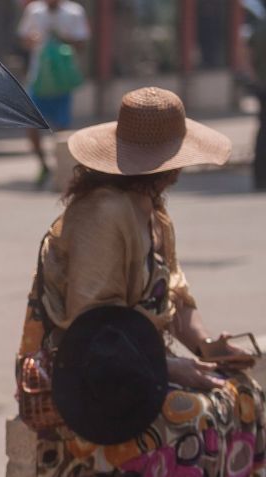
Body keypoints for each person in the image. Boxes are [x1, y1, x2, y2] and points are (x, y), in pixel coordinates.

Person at [16, 87, 265, 475]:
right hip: (88, 380)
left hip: (139, 367)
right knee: (195, 418)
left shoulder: (152, 210)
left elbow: (175, 296)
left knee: (244, 394)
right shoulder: (103, 213)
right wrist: (169, 368)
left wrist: (207, 346)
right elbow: (94, 326)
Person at [17, 0, 90, 188]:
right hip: (38, 78)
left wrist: (63, 38)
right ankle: (43, 165)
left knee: (61, 131)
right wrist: (32, 40)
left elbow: (82, 43)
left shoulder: (74, 12)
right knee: (31, 125)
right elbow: (23, 38)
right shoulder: (35, 11)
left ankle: (62, 171)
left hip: (62, 81)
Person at [249, 9, 266, 191]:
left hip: (262, 85)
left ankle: (259, 176)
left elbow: (249, 57)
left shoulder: (258, 29)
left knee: (262, 132)